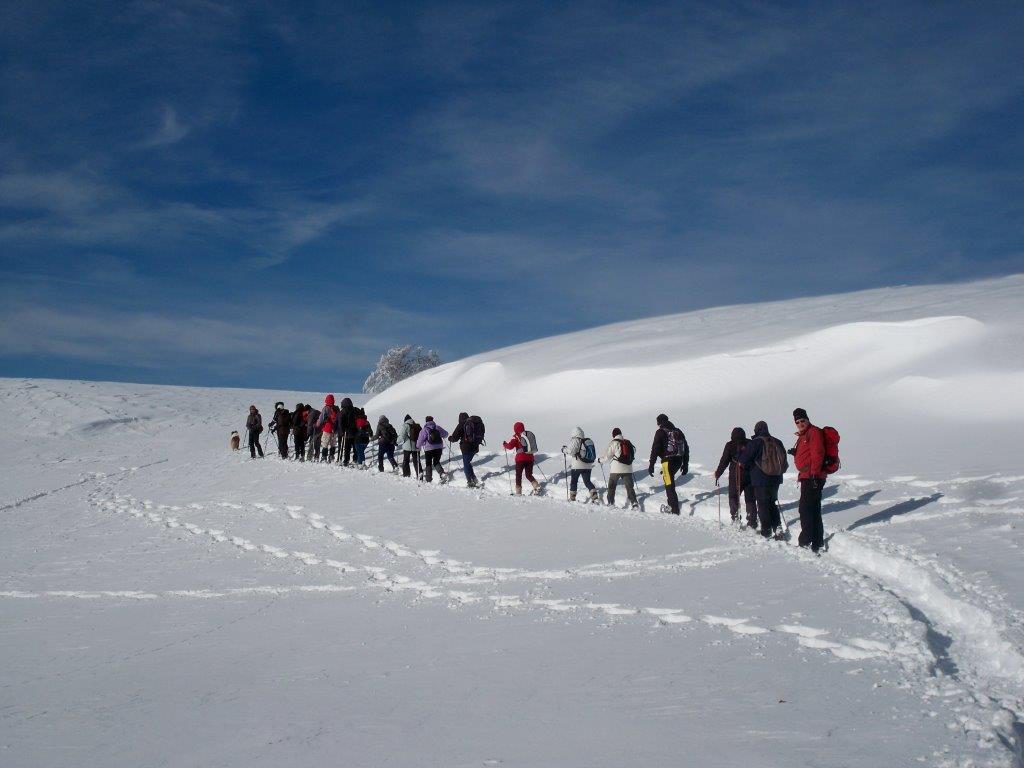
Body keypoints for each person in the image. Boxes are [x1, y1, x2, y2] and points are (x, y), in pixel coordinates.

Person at [738, 421, 789, 538]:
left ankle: (766, 531)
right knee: (772, 503)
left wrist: (741, 453)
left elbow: (743, 461)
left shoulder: (756, 442)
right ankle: (778, 527)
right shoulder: (777, 441)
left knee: (763, 505)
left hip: (761, 479)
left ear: (756, 430)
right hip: (776, 479)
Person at [791, 407, 826, 553]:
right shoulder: (803, 435)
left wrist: (814, 475)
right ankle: (817, 541)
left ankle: (805, 541)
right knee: (814, 509)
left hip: (812, 477)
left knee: (805, 510)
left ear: (807, 419)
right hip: (808, 476)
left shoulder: (813, 432)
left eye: (802, 420)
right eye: (797, 422)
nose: (800, 423)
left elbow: (817, 453)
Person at [714, 427, 756, 526]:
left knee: (733, 496)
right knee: (750, 498)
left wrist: (718, 473)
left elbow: (724, 461)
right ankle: (752, 521)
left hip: (735, 474)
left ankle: (736, 518)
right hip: (750, 474)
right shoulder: (750, 443)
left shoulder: (730, 445)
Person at [648, 413, 688, 514]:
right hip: (678, 461)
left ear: (659, 422)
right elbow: (686, 448)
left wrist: (651, 464)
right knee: (669, 481)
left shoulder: (660, 432)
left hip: (667, 462)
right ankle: (672, 505)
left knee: (669, 484)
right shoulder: (678, 431)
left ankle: (673, 509)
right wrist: (685, 464)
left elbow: (655, 449)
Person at [603, 428, 638, 509]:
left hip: (616, 469)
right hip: (628, 468)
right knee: (629, 487)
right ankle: (634, 503)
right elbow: (634, 450)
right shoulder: (627, 442)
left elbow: (607, 456)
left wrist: (600, 460)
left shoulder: (613, 443)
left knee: (611, 486)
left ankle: (611, 503)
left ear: (613, 435)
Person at [503, 422, 541, 495]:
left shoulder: (516, 437)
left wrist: (505, 444)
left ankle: (518, 492)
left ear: (515, 429)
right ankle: (536, 485)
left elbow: (510, 446)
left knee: (518, 475)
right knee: (528, 475)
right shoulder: (528, 435)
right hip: (530, 458)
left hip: (520, 459)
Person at [562, 427, 599, 502]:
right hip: (588, 465)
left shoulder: (575, 440)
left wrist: (564, 450)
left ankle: (572, 498)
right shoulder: (587, 441)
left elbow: (571, 451)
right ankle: (595, 497)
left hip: (577, 465)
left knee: (574, 481)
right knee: (587, 481)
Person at [448, 412, 483, 488]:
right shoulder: (475, 423)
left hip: (466, 447)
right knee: (468, 463)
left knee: (466, 465)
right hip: (475, 446)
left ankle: (470, 482)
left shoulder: (461, 424)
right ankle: (473, 478)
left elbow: (455, 438)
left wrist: (450, 438)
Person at [416, 416, 449, 483]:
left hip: (429, 449)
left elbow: (420, 440)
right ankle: (442, 474)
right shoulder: (438, 427)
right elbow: (446, 434)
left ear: (426, 421)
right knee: (436, 461)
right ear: (432, 420)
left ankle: (428, 479)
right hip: (439, 447)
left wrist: (417, 446)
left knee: (428, 463)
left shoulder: (424, 429)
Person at [337, 397, 358, 465]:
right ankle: (355, 459)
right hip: (354, 431)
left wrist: (341, 432)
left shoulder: (342, 412)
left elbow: (340, 423)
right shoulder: (354, 410)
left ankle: (346, 460)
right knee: (355, 447)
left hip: (347, 432)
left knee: (347, 448)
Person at [317, 395, 339, 462]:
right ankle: (331, 456)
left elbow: (321, 418)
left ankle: (324, 457)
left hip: (327, 428)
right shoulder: (336, 408)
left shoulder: (325, 408)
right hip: (334, 429)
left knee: (325, 444)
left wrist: (317, 424)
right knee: (333, 444)